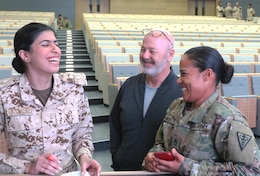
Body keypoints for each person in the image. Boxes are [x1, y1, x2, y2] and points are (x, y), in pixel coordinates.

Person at [0, 22, 101, 176]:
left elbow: (82, 135)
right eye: (46, 44)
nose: (56, 50)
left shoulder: (73, 90)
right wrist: (27, 167)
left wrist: (84, 156)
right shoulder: (4, 94)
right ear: (25, 55)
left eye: (56, 44)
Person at [144, 46, 260, 175]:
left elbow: (250, 171)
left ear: (207, 75)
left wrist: (187, 167)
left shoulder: (228, 120)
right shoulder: (176, 107)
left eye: (184, 74)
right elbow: (160, 143)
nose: (178, 80)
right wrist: (153, 157)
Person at [109, 28, 182, 171]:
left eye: (152, 51)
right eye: (143, 50)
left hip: (160, 172)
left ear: (170, 55)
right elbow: (115, 124)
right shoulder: (129, 85)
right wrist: (117, 155)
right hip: (123, 170)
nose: (145, 56)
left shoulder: (181, 92)